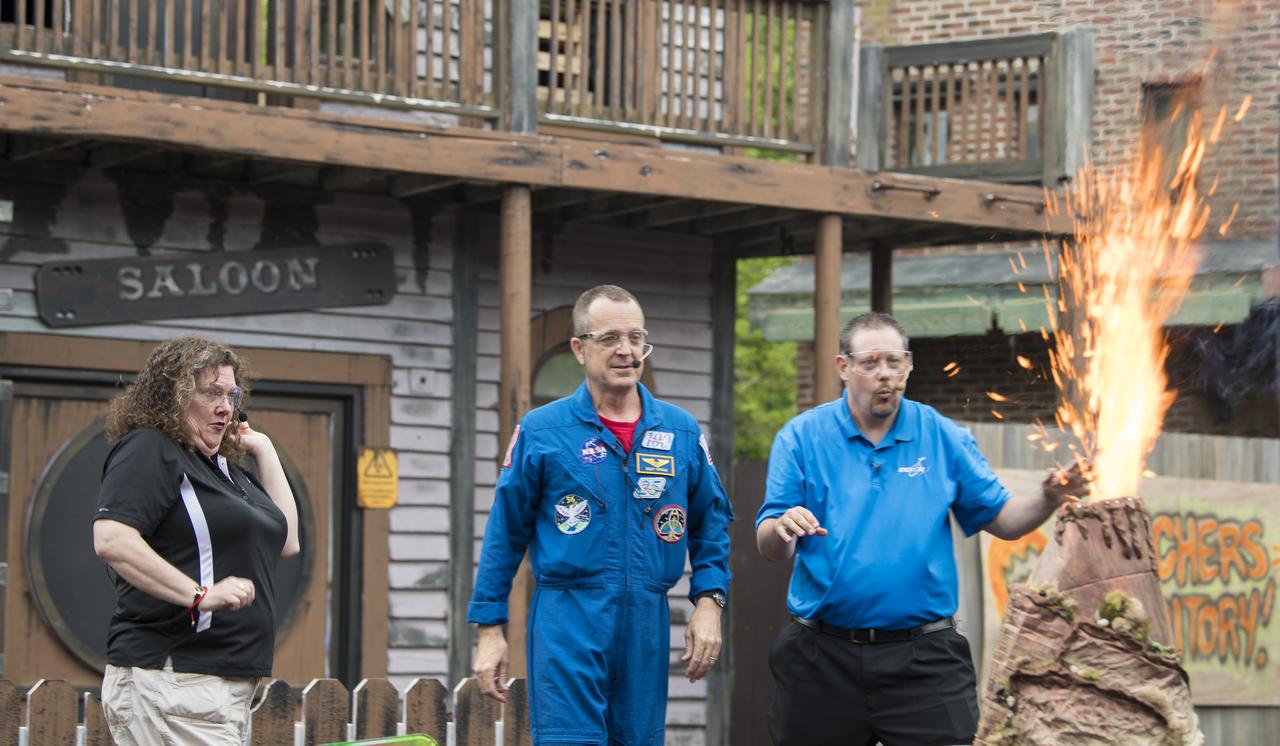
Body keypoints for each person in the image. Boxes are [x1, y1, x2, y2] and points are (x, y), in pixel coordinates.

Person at [756, 312, 1087, 746]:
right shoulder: (801, 437)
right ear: (844, 367)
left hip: (925, 659)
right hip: (822, 656)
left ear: (909, 365)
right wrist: (782, 527)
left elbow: (1003, 520)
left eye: (894, 362)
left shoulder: (942, 435)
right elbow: (768, 545)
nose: (885, 374)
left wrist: (1047, 497)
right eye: (871, 362)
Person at [468, 285, 733, 746]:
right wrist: (489, 628)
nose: (626, 350)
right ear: (579, 348)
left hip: (646, 620)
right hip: (567, 618)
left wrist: (710, 602)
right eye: (610, 338)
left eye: (635, 337)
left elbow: (711, 522)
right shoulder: (542, 431)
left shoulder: (680, 431)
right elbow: (505, 532)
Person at [92, 336, 300, 745]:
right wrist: (198, 594)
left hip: (219, 687)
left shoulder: (225, 473)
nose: (226, 406)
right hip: (173, 680)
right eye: (211, 393)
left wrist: (265, 448)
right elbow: (111, 539)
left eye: (231, 394)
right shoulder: (151, 447)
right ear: (172, 396)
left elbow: (287, 540)